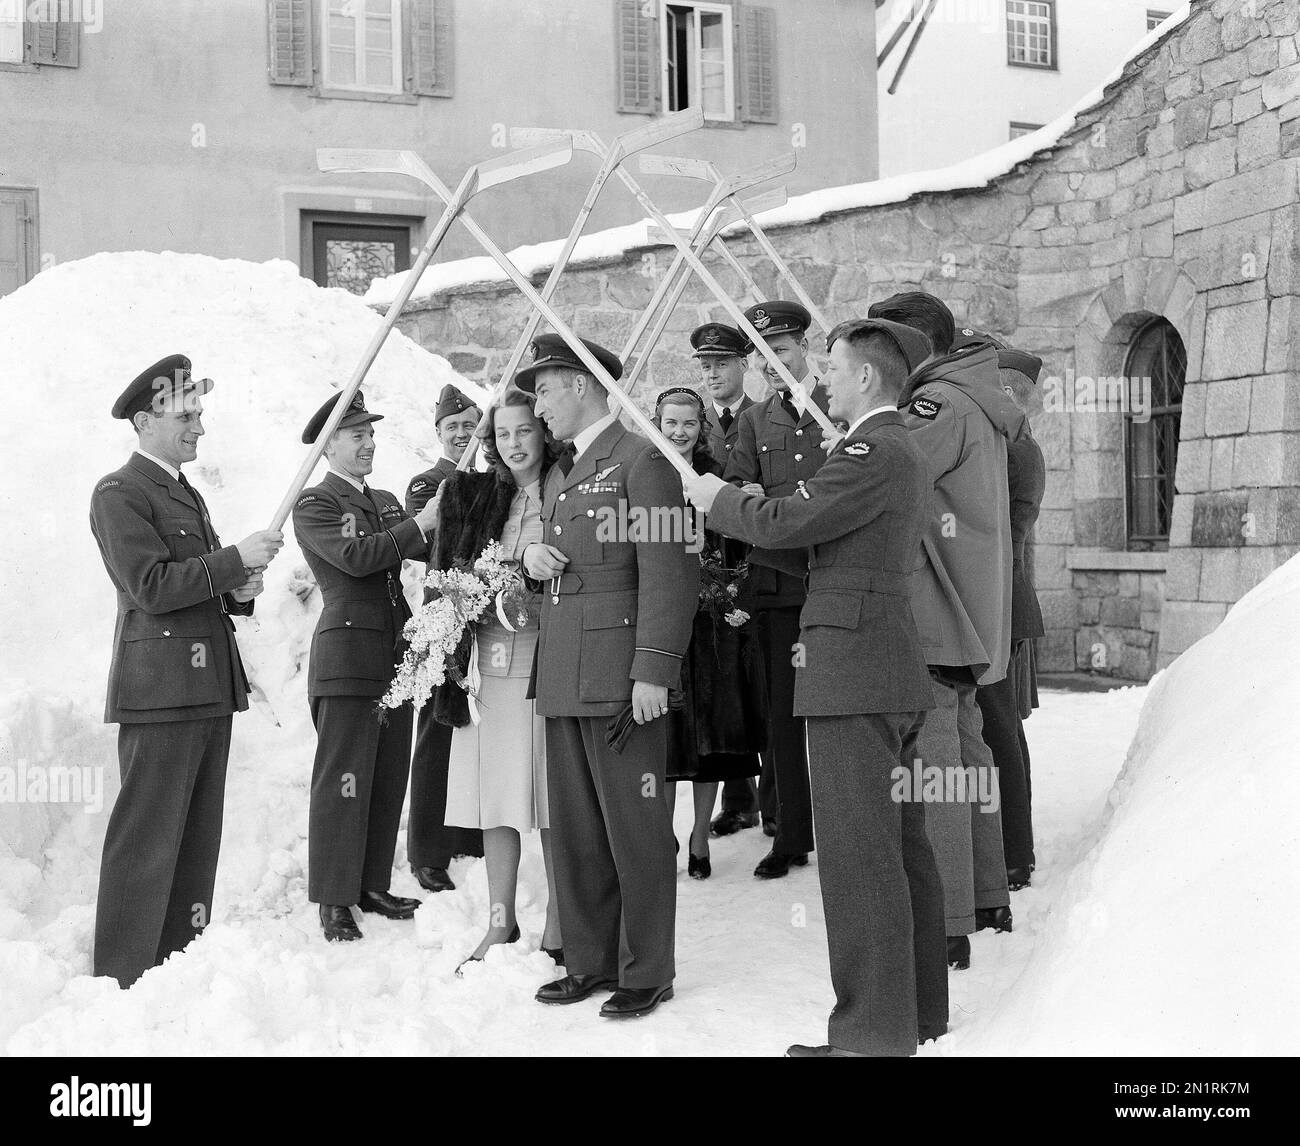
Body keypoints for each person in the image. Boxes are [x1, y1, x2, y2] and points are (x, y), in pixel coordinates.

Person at [684, 318, 948, 1057]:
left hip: (852, 670)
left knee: (860, 855)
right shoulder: (890, 447)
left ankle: (869, 1036)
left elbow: (789, 518)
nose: (822, 381)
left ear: (866, 377)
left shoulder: (872, 446)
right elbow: (831, 549)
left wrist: (714, 497)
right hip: (877, 663)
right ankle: (916, 1013)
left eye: (832, 368)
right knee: (898, 849)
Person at [516, 334, 697, 1019]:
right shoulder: (568, 472)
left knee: (636, 828)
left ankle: (647, 968)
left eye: (545, 389)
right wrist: (534, 560)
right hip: (564, 675)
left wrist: (654, 670)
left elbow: (670, 571)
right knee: (578, 830)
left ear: (584, 385)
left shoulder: (640, 461)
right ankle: (589, 960)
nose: (538, 405)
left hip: (622, 681)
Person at [89, 353, 284, 986]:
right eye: (187, 414)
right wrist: (230, 561)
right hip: (161, 691)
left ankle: (177, 962)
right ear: (145, 420)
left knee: (198, 835)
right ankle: (122, 975)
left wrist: (242, 586)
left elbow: (201, 588)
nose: (199, 426)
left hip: (203, 687)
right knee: (146, 838)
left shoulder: (183, 491)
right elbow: (148, 585)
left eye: (200, 413)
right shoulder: (119, 493)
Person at [867, 293, 1025, 969]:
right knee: (964, 754)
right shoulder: (976, 396)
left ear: (912, 345)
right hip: (969, 605)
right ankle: (986, 892)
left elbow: (886, 477)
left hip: (935, 607)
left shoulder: (935, 404)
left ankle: (948, 920)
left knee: (935, 772)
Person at [293, 390, 439, 942]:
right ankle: (334, 899)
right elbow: (358, 557)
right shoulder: (315, 504)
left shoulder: (381, 498)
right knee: (344, 778)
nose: (369, 443)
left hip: (395, 654)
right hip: (348, 655)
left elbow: (424, 542)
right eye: (357, 435)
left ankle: (372, 882)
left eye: (372, 434)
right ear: (329, 444)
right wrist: (419, 525)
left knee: (385, 771)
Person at [436, 389, 563, 965]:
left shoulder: (570, 488)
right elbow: (450, 576)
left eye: (524, 431)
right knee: (497, 801)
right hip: (489, 667)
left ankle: (562, 925)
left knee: (554, 799)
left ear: (544, 432)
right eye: (503, 434)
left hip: (552, 664)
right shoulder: (476, 496)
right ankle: (500, 922)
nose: (513, 444)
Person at [723, 300, 830, 877]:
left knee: (838, 711)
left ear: (804, 349)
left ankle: (842, 827)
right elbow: (739, 487)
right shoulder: (755, 420)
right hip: (777, 584)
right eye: (763, 358)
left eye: (782, 351)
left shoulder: (836, 407)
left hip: (833, 582)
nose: (774, 365)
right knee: (783, 715)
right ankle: (791, 833)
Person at [653, 386, 765, 880]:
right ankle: (661, 833)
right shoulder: (643, 474)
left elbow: (736, 550)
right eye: (670, 422)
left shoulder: (714, 479)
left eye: (689, 424)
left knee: (709, 743)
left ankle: (699, 835)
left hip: (711, 624)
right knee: (661, 737)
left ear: (702, 428)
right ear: (656, 424)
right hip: (659, 620)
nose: (679, 432)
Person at [963, 335, 1047, 890]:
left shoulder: (1015, 447)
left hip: (999, 600)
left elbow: (1004, 538)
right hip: (999, 600)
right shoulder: (1012, 442)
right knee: (1003, 730)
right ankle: (1016, 846)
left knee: (998, 729)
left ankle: (1015, 852)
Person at [405, 383, 485, 894]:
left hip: (489, 623)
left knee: (478, 732)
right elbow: (434, 543)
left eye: (469, 425)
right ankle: (427, 850)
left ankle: (471, 835)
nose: (461, 434)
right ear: (438, 433)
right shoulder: (427, 484)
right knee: (436, 737)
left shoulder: (494, 480)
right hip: (444, 624)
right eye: (452, 427)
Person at [690, 321, 769, 841]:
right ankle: (738, 797)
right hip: (709, 566)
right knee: (723, 681)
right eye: (706, 365)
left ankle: (774, 799)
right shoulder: (692, 422)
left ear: (744, 364)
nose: (714, 373)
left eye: (722, 363)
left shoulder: (762, 419)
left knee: (759, 680)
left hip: (755, 561)